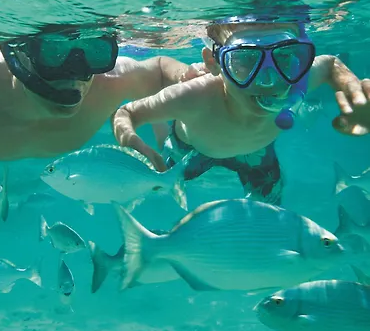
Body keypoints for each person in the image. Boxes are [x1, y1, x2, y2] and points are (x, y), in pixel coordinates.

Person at [112, 16, 369, 205]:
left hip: (258, 151)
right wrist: (130, 138)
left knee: (271, 216)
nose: (268, 80)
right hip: (191, 150)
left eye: (283, 56)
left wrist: (355, 92)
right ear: (215, 63)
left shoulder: (295, 81)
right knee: (159, 186)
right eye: (245, 59)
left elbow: (330, 64)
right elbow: (127, 113)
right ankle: (162, 115)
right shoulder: (191, 96)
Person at [0, 24, 189, 167]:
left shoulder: (112, 81)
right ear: (20, 58)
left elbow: (159, 69)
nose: (75, 77)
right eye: (53, 53)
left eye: (95, 52)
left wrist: (187, 76)